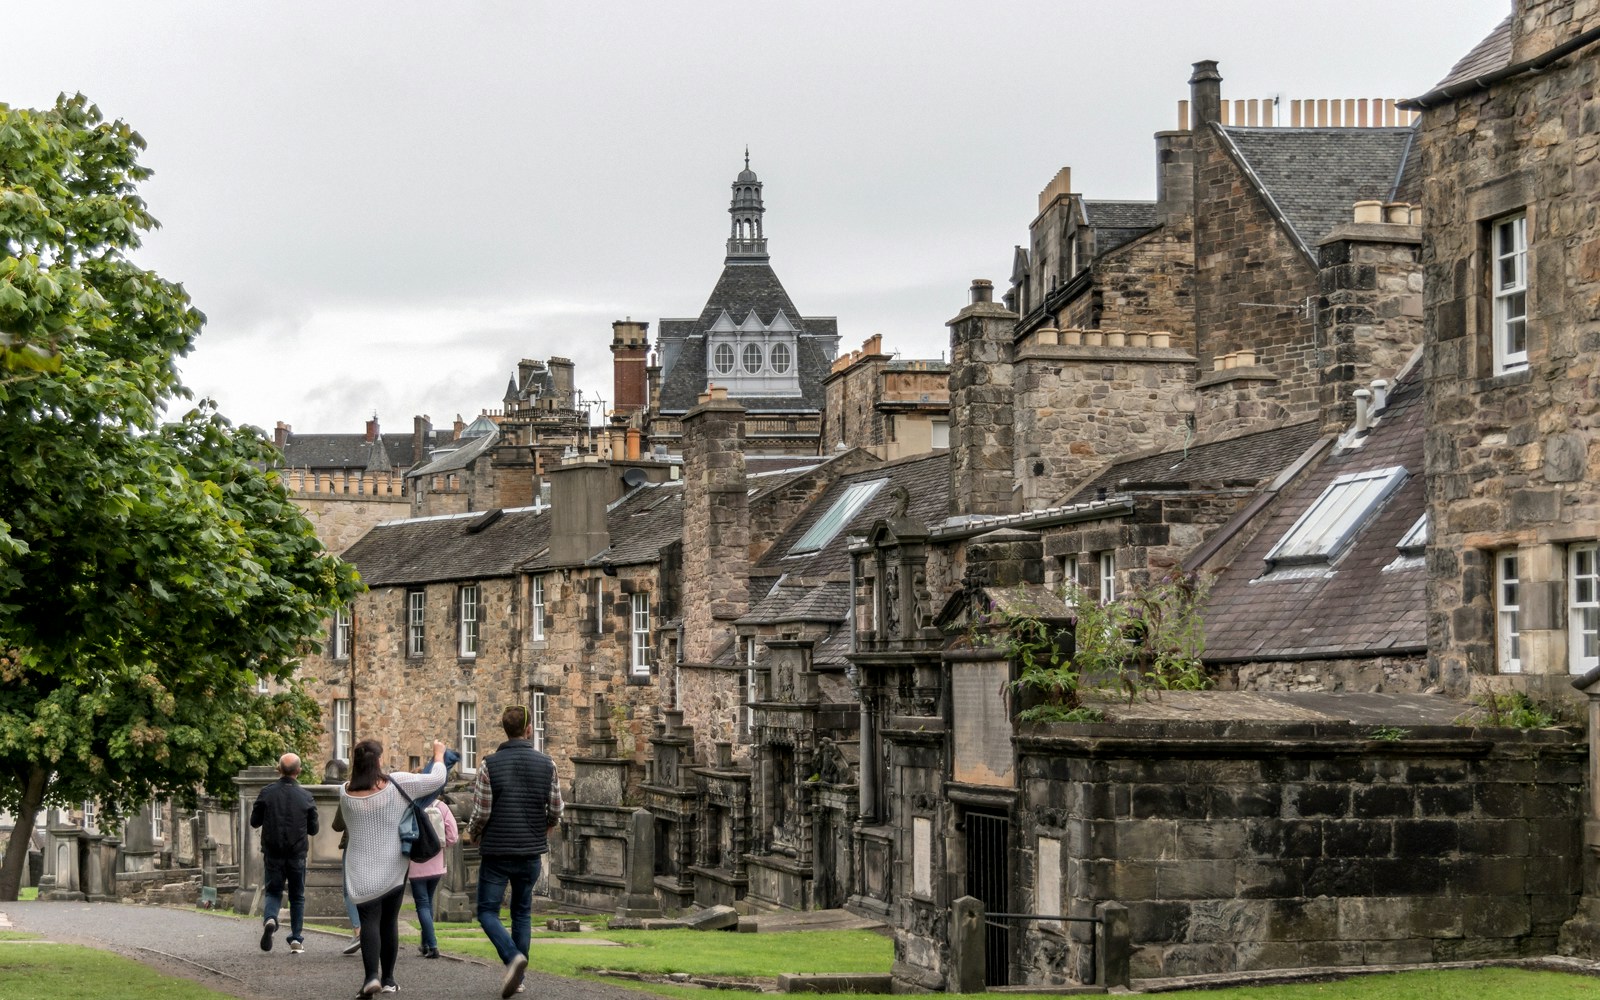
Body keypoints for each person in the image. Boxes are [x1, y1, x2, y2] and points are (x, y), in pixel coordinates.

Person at [463, 705, 563, 1000]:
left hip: (497, 852)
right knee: (522, 912)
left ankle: (511, 958)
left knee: (486, 911)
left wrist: (473, 834)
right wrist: (545, 827)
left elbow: (481, 812)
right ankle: (518, 980)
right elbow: (556, 809)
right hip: (531, 851)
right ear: (528, 729)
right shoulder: (548, 764)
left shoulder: (489, 764)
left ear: (504, 729)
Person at [341, 738, 447, 997]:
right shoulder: (396, 784)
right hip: (392, 867)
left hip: (360, 869)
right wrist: (439, 754)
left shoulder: (343, 792)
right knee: (389, 921)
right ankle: (388, 979)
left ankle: (370, 978)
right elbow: (436, 779)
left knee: (369, 923)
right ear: (377, 762)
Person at [250, 752, 318, 955]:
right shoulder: (306, 796)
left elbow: (254, 821)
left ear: (278, 769)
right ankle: (296, 939)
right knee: (297, 896)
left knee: (273, 891)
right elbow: (314, 829)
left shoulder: (267, 793)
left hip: (273, 852)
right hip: (297, 853)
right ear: (299, 771)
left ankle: (271, 918)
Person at [407, 789, 458, 959]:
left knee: (422, 905)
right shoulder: (442, 807)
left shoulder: (410, 807)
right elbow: (453, 837)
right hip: (437, 861)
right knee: (428, 902)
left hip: (416, 862)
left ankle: (433, 945)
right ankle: (425, 943)